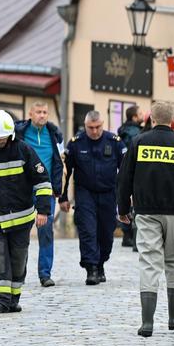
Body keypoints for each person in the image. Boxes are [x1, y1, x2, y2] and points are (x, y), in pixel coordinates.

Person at [117, 101, 174, 338]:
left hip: (146, 212)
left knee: (149, 261)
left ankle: (147, 322)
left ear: (152, 120)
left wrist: (123, 208)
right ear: (173, 120)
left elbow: (125, 178)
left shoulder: (137, 142)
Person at [0, 110, 52, 315]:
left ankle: (14, 298)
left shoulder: (24, 150)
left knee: (18, 259)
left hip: (21, 219)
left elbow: (42, 182)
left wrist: (43, 211)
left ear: (10, 135)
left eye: (2, 137)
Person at [60, 111, 127, 285]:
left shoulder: (115, 142)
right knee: (88, 231)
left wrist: (127, 196)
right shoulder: (76, 143)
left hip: (108, 193)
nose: (95, 131)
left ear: (103, 124)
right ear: (85, 125)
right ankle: (91, 269)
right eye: (91, 128)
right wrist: (63, 197)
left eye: (98, 127)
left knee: (106, 234)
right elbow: (65, 173)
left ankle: (101, 263)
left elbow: (126, 172)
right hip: (85, 193)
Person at [15, 101, 64, 287]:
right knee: (21, 231)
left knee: (46, 229)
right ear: (30, 113)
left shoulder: (54, 134)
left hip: (46, 189)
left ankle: (45, 274)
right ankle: (19, 272)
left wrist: (58, 188)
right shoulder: (19, 133)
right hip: (23, 189)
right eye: (38, 112)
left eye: (45, 112)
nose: (42, 115)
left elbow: (60, 162)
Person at [117, 105, 144, 250]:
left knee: (125, 199)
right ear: (134, 117)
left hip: (123, 170)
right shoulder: (135, 133)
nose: (142, 115)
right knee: (134, 203)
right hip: (135, 171)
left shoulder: (123, 129)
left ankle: (126, 235)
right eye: (140, 114)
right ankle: (132, 237)